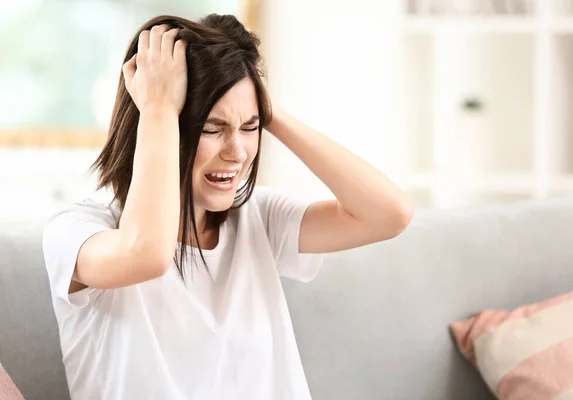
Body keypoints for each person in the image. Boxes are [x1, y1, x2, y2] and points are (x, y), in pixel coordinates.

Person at [42, 14, 414, 400]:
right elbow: (147, 253)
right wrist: (157, 109)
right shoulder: (77, 231)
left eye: (250, 129)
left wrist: (263, 105)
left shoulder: (258, 217)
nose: (237, 153)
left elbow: (390, 214)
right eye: (211, 129)